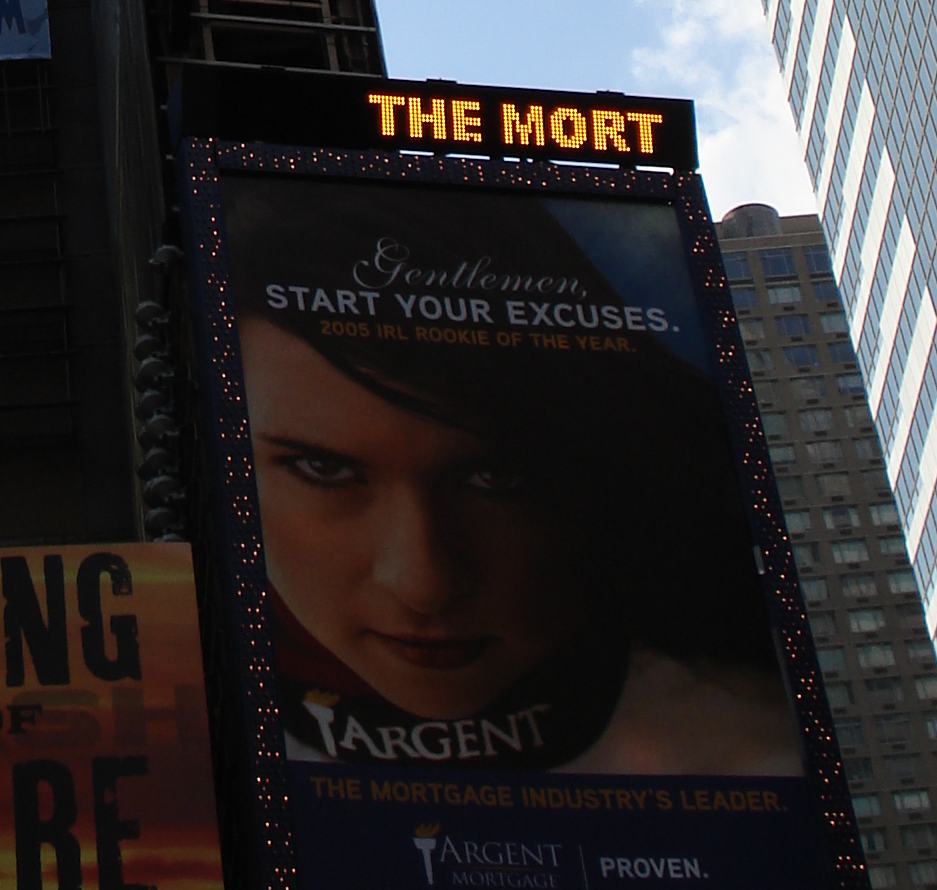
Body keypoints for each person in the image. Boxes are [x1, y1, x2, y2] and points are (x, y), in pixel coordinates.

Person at [225, 177, 803, 775]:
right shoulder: (183, 715)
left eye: (495, 478)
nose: (423, 584)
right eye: (323, 469)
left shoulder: (759, 752)